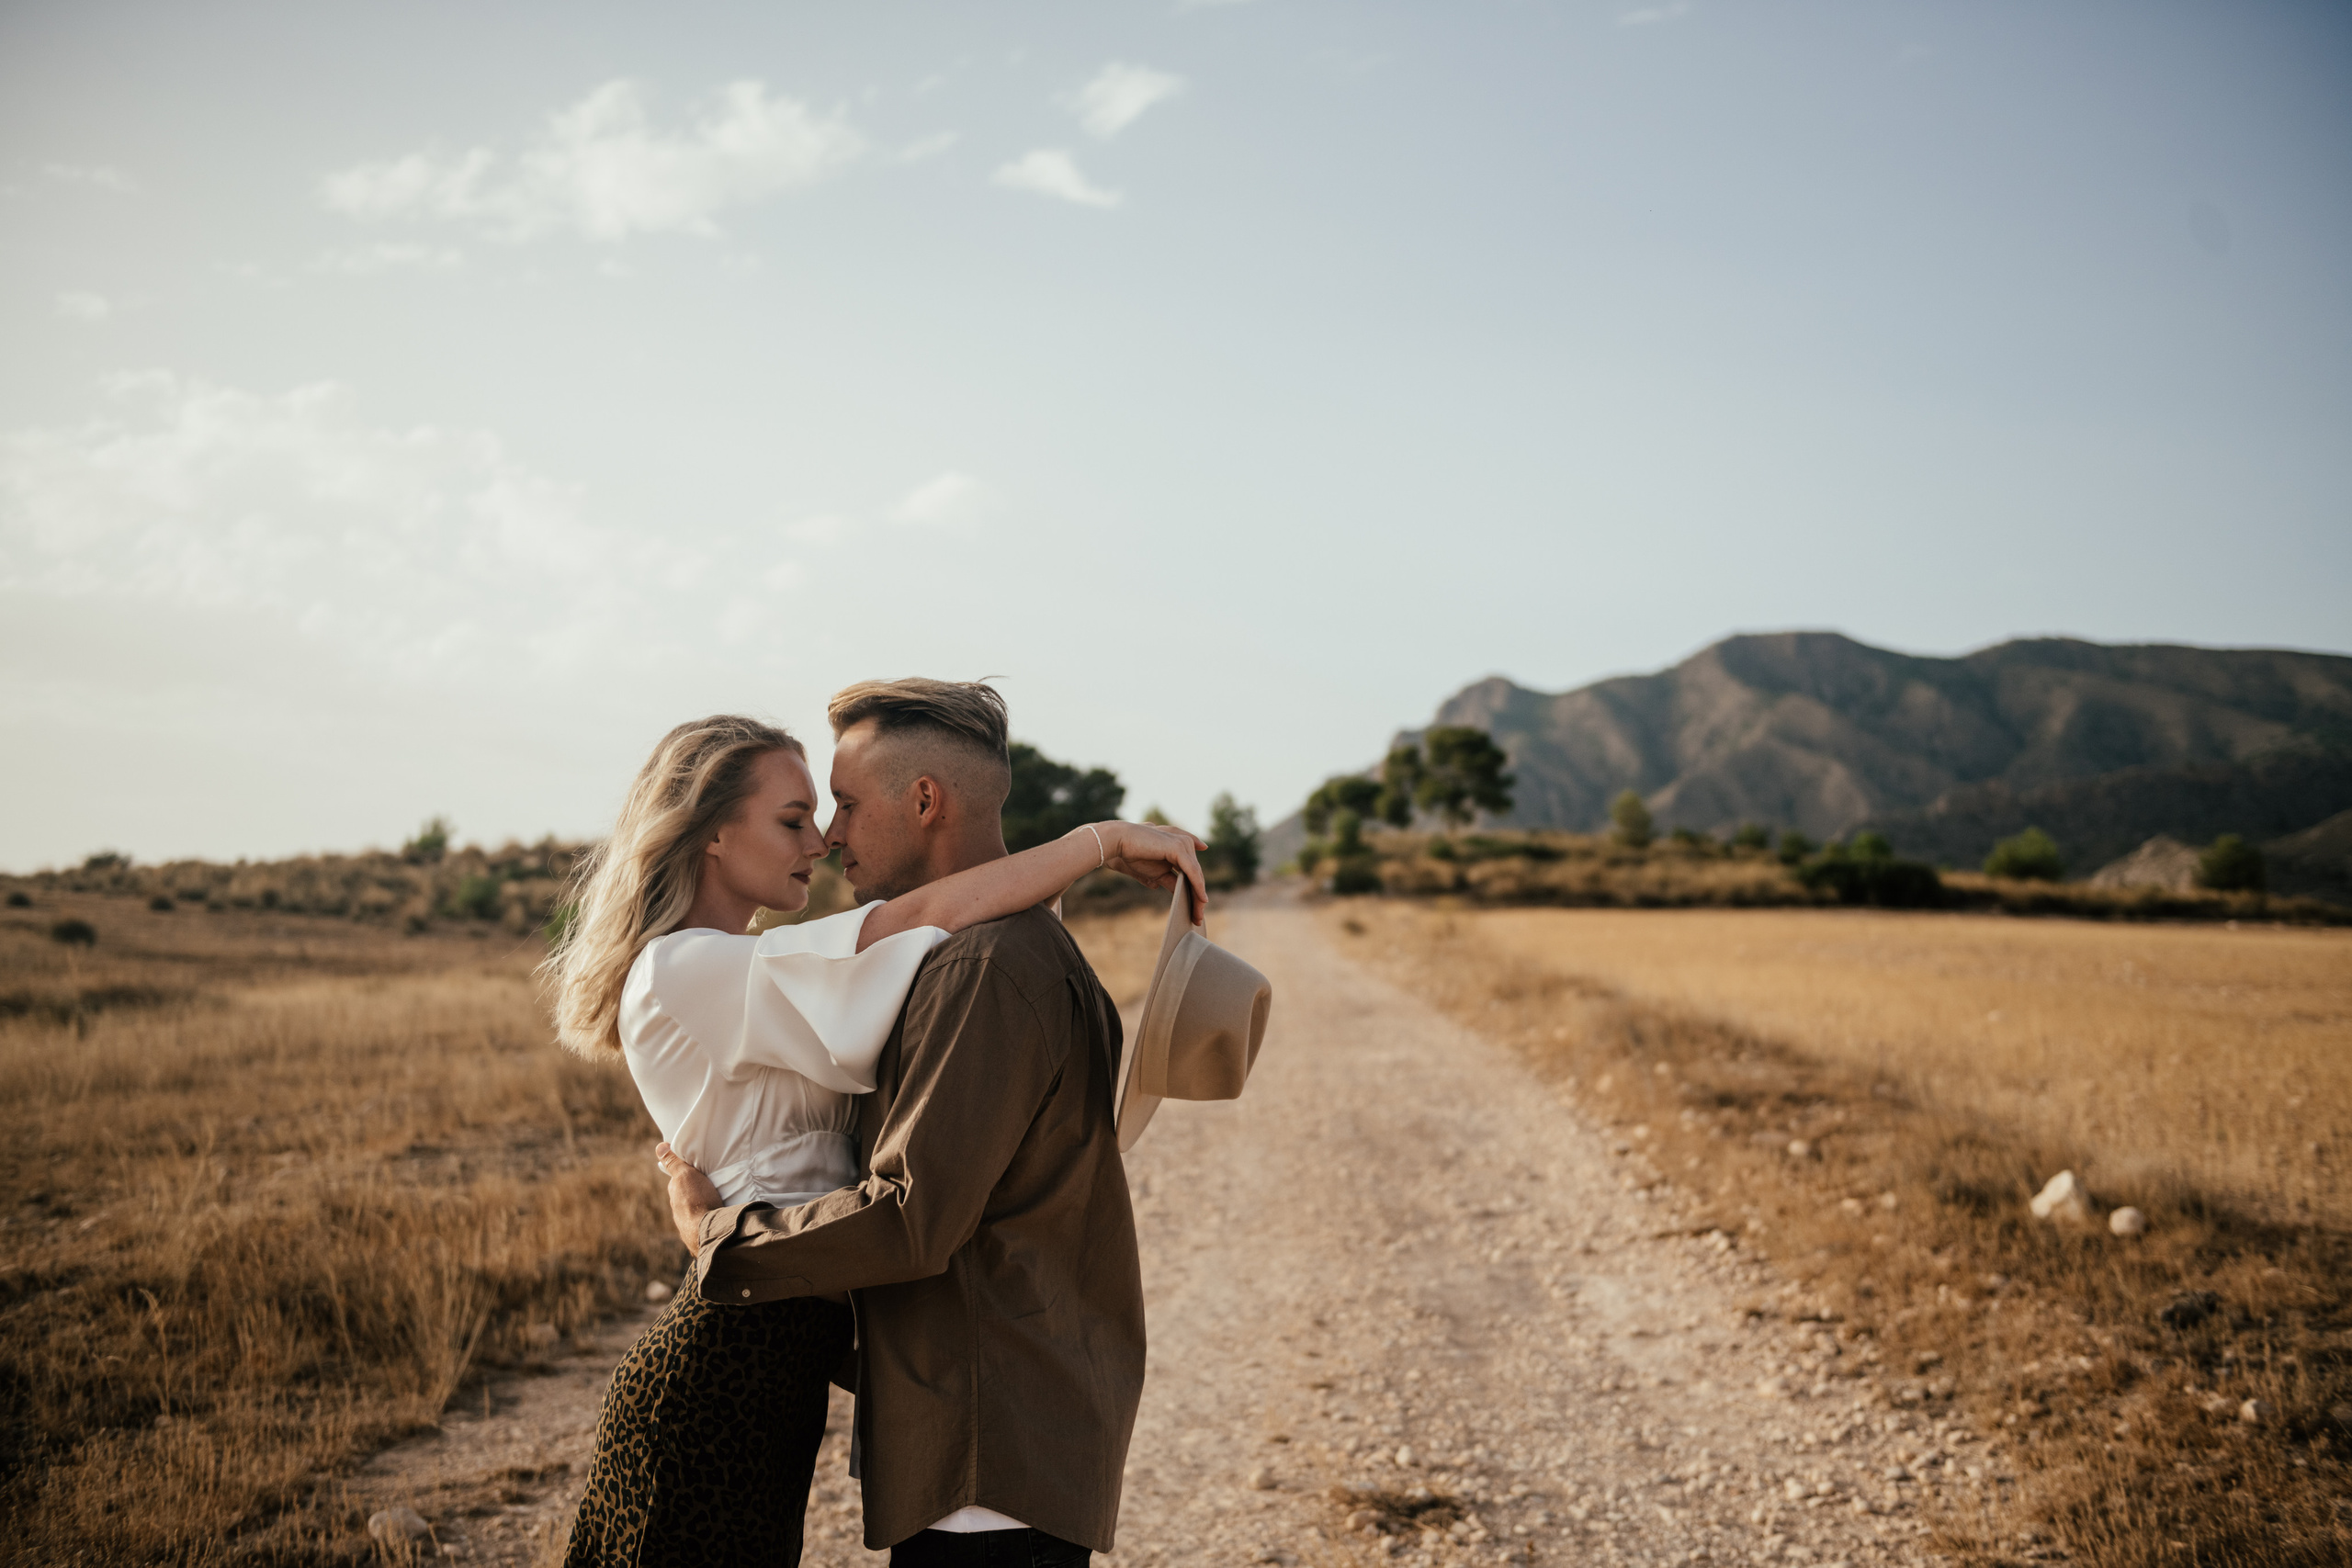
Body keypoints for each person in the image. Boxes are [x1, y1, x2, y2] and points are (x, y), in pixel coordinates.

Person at [544, 698, 1201, 1568]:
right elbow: (912, 924)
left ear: (925, 801)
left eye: (839, 807)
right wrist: (1099, 845)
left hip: (849, 1391)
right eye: (800, 816)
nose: (824, 838)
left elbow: (911, 1209)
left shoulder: (972, 962)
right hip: (731, 1372)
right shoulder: (691, 965)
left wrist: (717, 1236)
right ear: (707, 832)